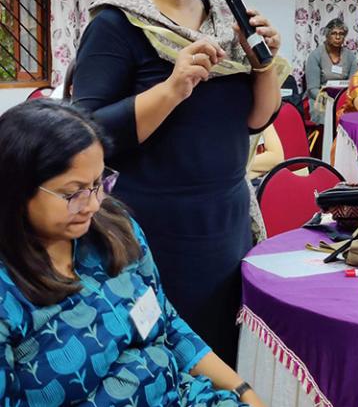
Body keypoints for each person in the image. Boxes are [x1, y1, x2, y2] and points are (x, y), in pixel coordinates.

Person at [72, 0, 282, 366]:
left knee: (226, 357)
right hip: (153, 228)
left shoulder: (224, 18)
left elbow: (257, 119)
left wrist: (262, 65)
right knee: (160, 359)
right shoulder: (117, 23)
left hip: (226, 220)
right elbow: (85, 133)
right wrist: (171, 88)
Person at [0, 99, 266, 407]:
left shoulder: (112, 229)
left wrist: (243, 392)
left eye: (99, 183)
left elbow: (167, 323)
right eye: (72, 193)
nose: (93, 205)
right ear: (16, 190)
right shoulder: (9, 292)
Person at [305, 18, 358, 123]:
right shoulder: (315, 55)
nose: (338, 37)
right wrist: (330, 101)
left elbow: (354, 84)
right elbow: (312, 89)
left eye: (341, 34)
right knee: (326, 115)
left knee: (355, 114)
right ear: (327, 35)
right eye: (334, 33)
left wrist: (342, 100)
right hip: (320, 98)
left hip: (344, 98)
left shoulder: (350, 56)